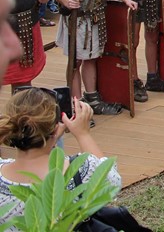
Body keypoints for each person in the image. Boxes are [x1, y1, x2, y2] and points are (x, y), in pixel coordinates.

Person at [0, 88, 121, 227]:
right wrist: (83, 134)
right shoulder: (81, 173)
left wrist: (50, 137)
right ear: (55, 128)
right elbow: (112, 180)